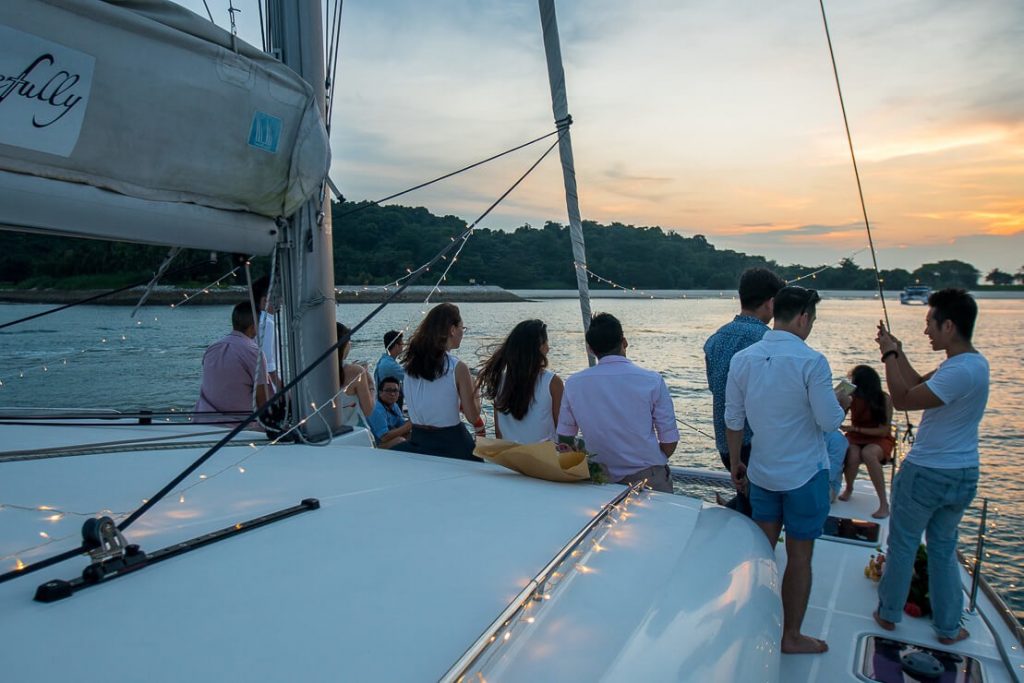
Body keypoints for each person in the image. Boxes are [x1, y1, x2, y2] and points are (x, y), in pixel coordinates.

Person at [724, 286, 848, 654]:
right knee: (799, 557)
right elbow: (828, 422)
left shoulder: (743, 359)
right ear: (804, 317)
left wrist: (735, 463)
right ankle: (791, 635)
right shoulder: (813, 362)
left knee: (762, 554)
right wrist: (841, 402)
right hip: (804, 475)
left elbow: (733, 418)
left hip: (762, 472)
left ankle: (752, 626)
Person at [873, 288, 988, 646]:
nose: (926, 332)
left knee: (903, 544)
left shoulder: (959, 372)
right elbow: (917, 384)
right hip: (962, 473)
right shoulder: (970, 364)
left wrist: (890, 355)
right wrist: (898, 353)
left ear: (949, 326)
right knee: (943, 547)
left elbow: (904, 399)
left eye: (930, 325)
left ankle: (889, 615)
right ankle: (949, 627)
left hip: (928, 472)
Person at [556, 313, 678, 493]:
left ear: (590, 349)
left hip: (598, 479)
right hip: (648, 478)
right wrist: (653, 460)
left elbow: (565, 438)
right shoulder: (652, 380)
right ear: (624, 342)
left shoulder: (574, 383)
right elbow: (669, 440)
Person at [704, 267, 786, 515]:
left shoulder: (715, 339)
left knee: (748, 502)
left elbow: (715, 389)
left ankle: (726, 520)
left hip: (727, 445)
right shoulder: (768, 341)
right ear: (771, 303)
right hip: (757, 444)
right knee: (763, 513)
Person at [397, 303, 481, 461]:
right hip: (451, 443)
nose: (463, 332)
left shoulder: (410, 365)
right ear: (452, 329)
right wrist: (474, 389)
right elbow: (472, 416)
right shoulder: (457, 367)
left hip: (419, 441)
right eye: (462, 328)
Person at [477, 319, 564, 444]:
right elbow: (562, 430)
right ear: (540, 347)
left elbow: (499, 433)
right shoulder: (552, 383)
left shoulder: (500, 380)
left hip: (509, 458)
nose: (548, 348)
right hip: (544, 460)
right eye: (546, 343)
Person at [193, 302, 270, 427]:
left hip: (203, 421)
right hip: (237, 427)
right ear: (252, 327)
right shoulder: (254, 353)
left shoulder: (212, 348)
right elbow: (263, 400)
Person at [838, 364, 895, 518]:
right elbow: (838, 415)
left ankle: (883, 503)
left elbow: (884, 430)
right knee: (853, 453)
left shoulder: (883, 399)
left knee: (869, 453)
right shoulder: (853, 396)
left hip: (878, 437)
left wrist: (855, 429)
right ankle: (849, 487)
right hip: (856, 436)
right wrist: (841, 401)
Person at [336, 322, 374, 428]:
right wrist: (369, 382)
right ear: (345, 344)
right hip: (352, 433)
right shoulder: (356, 372)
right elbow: (368, 410)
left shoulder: (310, 371)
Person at [251, 275, 281, 391]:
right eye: (278, 297)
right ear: (264, 301)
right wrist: (285, 394)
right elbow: (268, 368)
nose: (281, 301)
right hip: (269, 392)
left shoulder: (255, 321)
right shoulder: (267, 323)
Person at [367, 376, 411, 448]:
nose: (392, 394)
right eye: (388, 390)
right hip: (376, 445)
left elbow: (402, 424)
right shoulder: (376, 409)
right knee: (400, 441)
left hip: (388, 439)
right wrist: (409, 425)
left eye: (395, 391)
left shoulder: (394, 405)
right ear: (380, 393)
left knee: (412, 435)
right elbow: (384, 437)